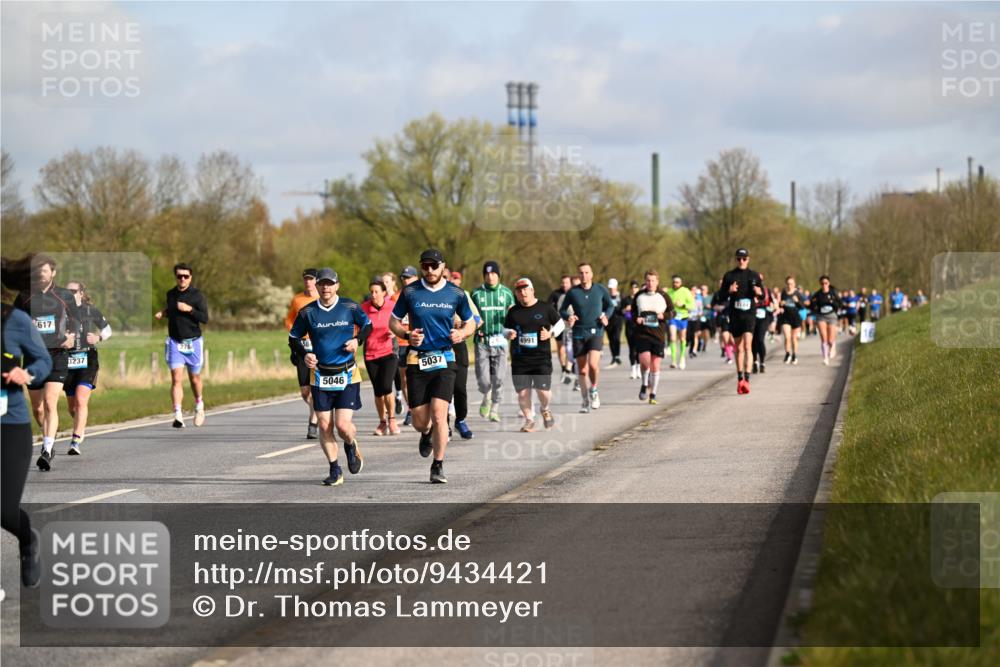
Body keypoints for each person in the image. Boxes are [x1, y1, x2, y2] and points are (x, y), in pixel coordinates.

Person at [390, 249, 476, 484]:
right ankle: (426, 433)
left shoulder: (455, 293)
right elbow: (393, 322)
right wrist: (407, 335)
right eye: (425, 266)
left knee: (440, 415)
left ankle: (437, 465)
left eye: (434, 266)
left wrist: (461, 333)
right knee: (420, 421)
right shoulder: (410, 292)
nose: (429, 270)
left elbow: (471, 323)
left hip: (445, 358)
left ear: (443, 267)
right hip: (417, 359)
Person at [289, 268, 371, 486]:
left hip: (346, 373)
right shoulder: (308, 312)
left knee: (342, 426)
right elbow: (293, 337)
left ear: (337, 286)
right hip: (320, 375)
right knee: (325, 425)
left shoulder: (349, 307)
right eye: (322, 284)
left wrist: (357, 341)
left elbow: (368, 325)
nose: (325, 288)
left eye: (329, 284)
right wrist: (305, 354)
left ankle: (351, 444)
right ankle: (335, 469)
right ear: (317, 286)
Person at [2, 255, 53, 589]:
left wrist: (27, 373)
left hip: (10, 425)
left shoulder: (14, 320)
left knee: (3, 509)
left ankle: (27, 538)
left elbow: (43, 360)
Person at [13, 253, 78, 470]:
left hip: (58, 354)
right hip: (33, 358)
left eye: (45, 270)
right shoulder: (24, 297)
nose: (41, 274)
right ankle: (47, 436)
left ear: (53, 272)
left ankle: (47, 448)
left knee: (51, 402)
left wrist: (72, 337)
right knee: (38, 408)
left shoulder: (64, 296)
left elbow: (78, 322)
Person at [505, 277, 563, 431]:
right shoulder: (513, 312)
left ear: (532, 290)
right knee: (523, 393)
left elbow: (560, 324)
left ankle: (545, 408)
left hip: (541, 358)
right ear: (516, 294)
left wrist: (550, 333)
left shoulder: (545, 308)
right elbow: (504, 329)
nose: (522, 292)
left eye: (525, 289)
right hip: (519, 359)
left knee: (543, 391)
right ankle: (529, 420)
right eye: (519, 290)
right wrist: (508, 333)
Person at [154, 263, 208, 429]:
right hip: (175, 342)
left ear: (190, 278)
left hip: (193, 342)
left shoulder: (197, 296)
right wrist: (163, 313)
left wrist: (189, 309)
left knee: (194, 379)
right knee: (176, 379)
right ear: (176, 277)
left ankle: (199, 405)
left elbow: (204, 318)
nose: (182, 279)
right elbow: (172, 310)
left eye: (185, 276)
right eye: (179, 276)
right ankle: (178, 414)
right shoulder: (171, 294)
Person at [63, 280, 113, 455]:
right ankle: (80, 423)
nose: (69, 294)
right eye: (66, 291)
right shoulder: (61, 312)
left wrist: (98, 338)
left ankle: (75, 440)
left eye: (73, 291)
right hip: (67, 361)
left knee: (81, 400)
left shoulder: (90, 310)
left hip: (87, 359)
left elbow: (108, 330)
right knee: (72, 407)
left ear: (81, 293)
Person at [560, 262, 615, 413]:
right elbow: (562, 310)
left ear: (591, 274)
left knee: (593, 365)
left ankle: (594, 390)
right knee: (582, 371)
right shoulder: (573, 292)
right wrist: (569, 316)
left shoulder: (600, 289)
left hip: (596, 331)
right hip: (578, 333)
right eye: (581, 273)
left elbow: (610, 306)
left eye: (586, 272)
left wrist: (606, 317)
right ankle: (585, 401)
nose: (584, 275)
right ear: (578, 275)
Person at [470, 261, 515, 423]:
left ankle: (495, 408)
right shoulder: (476, 294)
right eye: (487, 274)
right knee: (483, 380)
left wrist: (512, 329)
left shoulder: (507, 293)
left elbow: (514, 315)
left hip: (501, 340)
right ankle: (486, 395)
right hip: (482, 340)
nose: (490, 276)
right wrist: (475, 320)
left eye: (493, 273)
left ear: (498, 275)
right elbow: (468, 313)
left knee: (499, 378)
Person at [717, 248, 763, 395]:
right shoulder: (729, 275)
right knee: (739, 348)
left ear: (748, 259)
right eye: (739, 259)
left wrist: (758, 292)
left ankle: (747, 380)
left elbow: (762, 295)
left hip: (749, 314)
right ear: (736, 260)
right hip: (735, 315)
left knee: (748, 346)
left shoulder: (754, 275)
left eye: (744, 259)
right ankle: (740, 378)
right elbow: (721, 297)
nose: (741, 261)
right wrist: (729, 290)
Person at [361, 276, 400, 436]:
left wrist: (395, 331)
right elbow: (355, 326)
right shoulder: (363, 308)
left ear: (384, 293)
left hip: (389, 352)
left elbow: (403, 323)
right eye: (371, 292)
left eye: (376, 291)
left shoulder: (393, 306)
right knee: (378, 391)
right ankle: (382, 422)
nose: (373, 295)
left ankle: (392, 419)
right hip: (371, 354)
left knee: (386, 386)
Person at [285, 268, 319, 439]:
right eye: (306, 279)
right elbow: (289, 319)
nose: (308, 282)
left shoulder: (322, 298)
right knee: (305, 392)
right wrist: (294, 339)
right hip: (302, 348)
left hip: (319, 348)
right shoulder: (297, 299)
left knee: (314, 390)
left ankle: (313, 423)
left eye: (311, 279)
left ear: (316, 281)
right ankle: (318, 408)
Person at [448, 270, 480, 440]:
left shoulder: (462, 295)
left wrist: (462, 328)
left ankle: (460, 420)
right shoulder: (427, 297)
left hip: (458, 346)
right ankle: (442, 424)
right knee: (441, 390)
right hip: (437, 347)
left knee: (459, 388)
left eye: (451, 278)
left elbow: (476, 320)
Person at [633, 269, 673, 404]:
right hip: (642, 334)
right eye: (648, 280)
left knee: (655, 365)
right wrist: (636, 319)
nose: (650, 283)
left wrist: (664, 316)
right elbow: (632, 313)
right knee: (644, 362)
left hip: (658, 335)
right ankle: (644, 385)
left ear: (657, 282)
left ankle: (653, 394)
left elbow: (672, 313)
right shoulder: (639, 296)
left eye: (653, 281)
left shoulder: (664, 296)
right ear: (645, 281)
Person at [396, 266, 419, 426]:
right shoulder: (397, 296)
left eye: (409, 277)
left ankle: (420, 407)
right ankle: (411, 408)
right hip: (402, 342)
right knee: (404, 379)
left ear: (416, 278)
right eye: (404, 278)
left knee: (417, 376)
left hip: (417, 342)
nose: (406, 280)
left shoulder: (421, 293)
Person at [809, 275, 843, 366]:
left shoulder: (833, 293)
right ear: (820, 284)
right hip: (821, 316)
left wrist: (833, 303)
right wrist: (813, 306)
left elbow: (840, 304)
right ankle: (825, 358)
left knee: (830, 340)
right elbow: (811, 305)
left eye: (826, 283)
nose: (824, 285)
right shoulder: (817, 294)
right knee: (824, 338)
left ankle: (832, 345)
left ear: (829, 283)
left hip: (832, 316)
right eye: (822, 283)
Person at [547, 275, 575, 384]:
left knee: (570, 347)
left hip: (571, 325)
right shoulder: (555, 294)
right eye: (563, 283)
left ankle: (570, 367)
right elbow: (548, 307)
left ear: (570, 283)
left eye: (566, 283)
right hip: (559, 324)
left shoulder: (574, 293)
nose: (564, 285)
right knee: (561, 347)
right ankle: (564, 367)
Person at [665, 275, 695, 370]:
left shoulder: (686, 291)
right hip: (673, 317)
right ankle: (673, 361)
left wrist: (683, 305)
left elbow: (692, 305)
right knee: (673, 338)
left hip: (683, 317)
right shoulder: (669, 292)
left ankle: (682, 358)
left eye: (677, 282)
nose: (675, 284)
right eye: (674, 282)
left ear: (681, 283)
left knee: (682, 338)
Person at [777, 276, 804, 365]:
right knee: (787, 337)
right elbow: (779, 304)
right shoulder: (783, 292)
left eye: (791, 284)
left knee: (794, 338)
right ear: (786, 284)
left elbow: (802, 306)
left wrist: (796, 301)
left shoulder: (798, 294)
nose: (790, 285)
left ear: (794, 284)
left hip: (795, 317)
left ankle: (794, 355)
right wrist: (781, 305)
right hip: (785, 318)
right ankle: (787, 353)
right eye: (788, 284)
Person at [751, 274, 773, 374]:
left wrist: (774, 307)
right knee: (753, 341)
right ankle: (755, 361)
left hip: (764, 317)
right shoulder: (749, 290)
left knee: (760, 339)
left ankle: (762, 362)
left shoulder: (766, 291)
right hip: (751, 317)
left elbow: (772, 303)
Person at [621, 280, 642, 379]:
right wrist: (626, 309)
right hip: (629, 326)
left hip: (639, 327)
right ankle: (633, 368)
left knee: (639, 348)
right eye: (632, 287)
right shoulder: (626, 300)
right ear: (630, 289)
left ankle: (638, 368)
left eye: (636, 287)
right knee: (631, 348)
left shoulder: (640, 299)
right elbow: (619, 311)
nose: (634, 289)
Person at [605, 278, 624, 368]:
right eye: (610, 287)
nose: (611, 289)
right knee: (611, 339)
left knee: (616, 337)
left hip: (618, 320)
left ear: (616, 287)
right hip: (609, 320)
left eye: (612, 287)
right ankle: (613, 356)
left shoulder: (621, 296)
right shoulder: (606, 297)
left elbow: (624, 308)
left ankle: (617, 356)